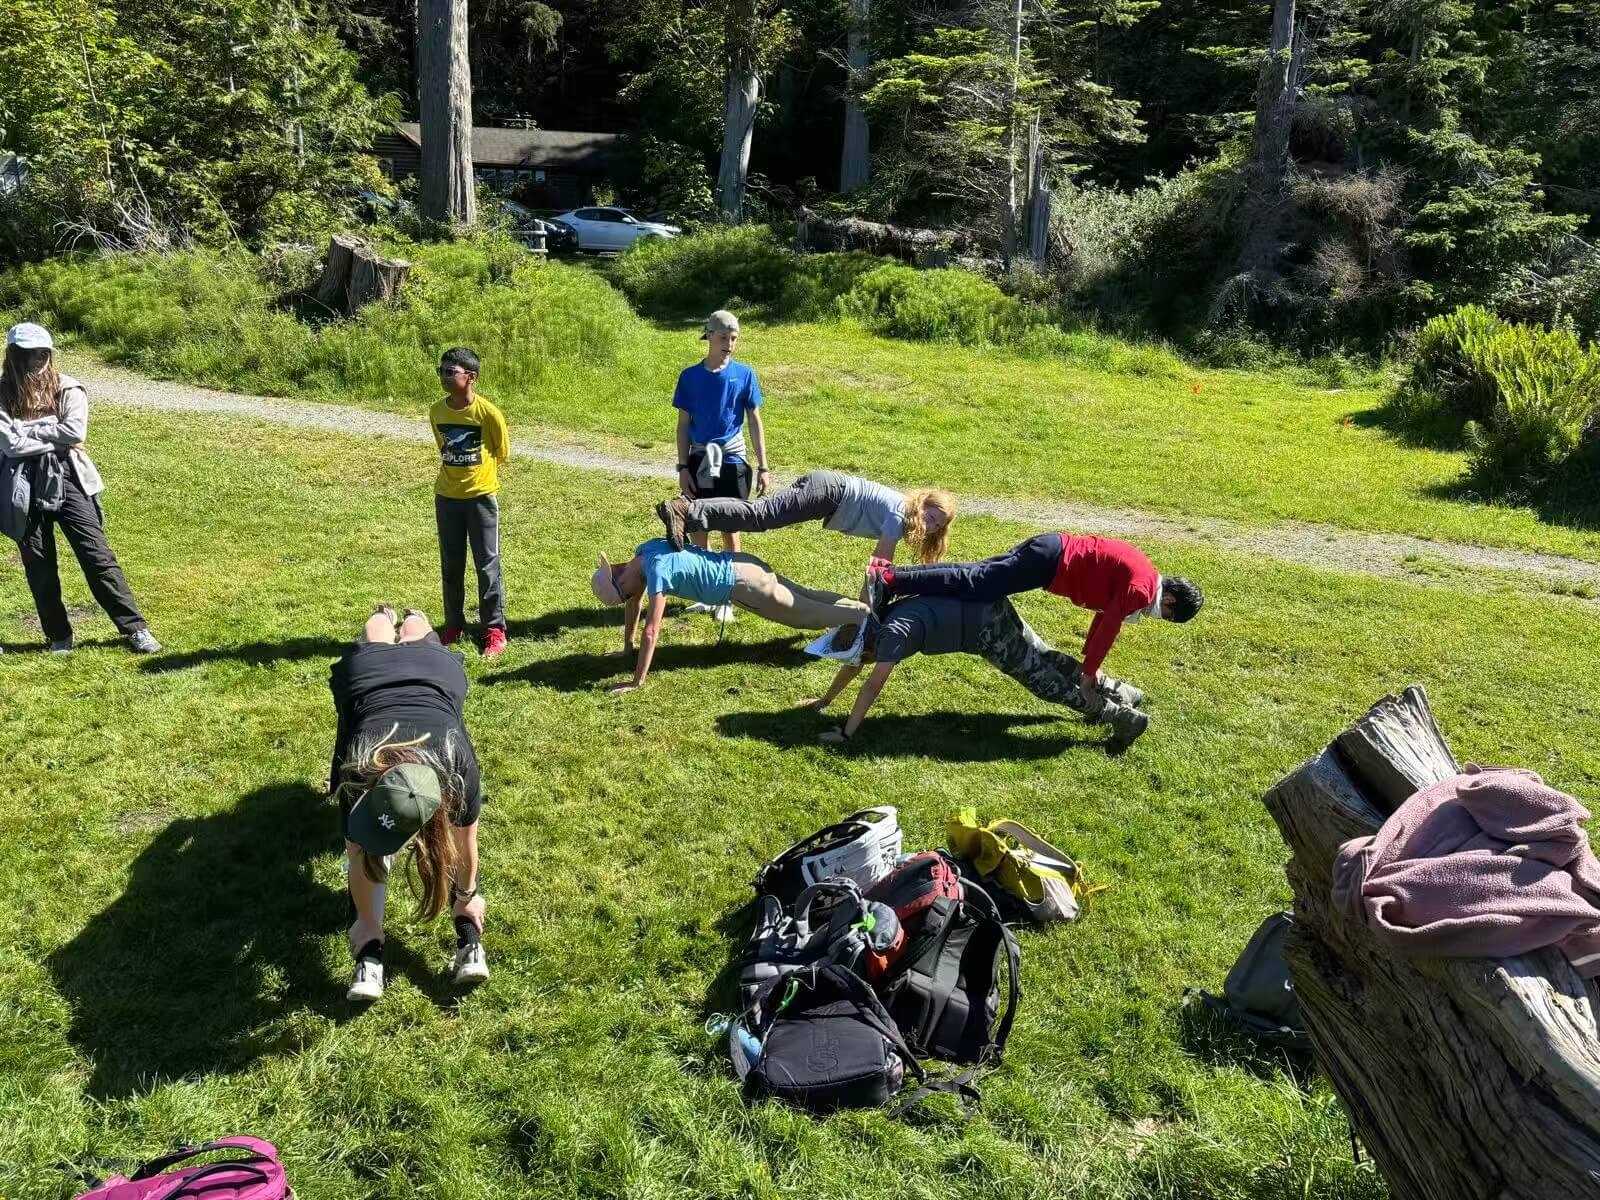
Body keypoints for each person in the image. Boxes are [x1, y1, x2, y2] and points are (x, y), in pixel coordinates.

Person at [865, 532, 1202, 722]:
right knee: (974, 580)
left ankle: (894, 579)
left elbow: (1102, 618)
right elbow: (1110, 627)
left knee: (975, 577)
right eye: (1170, 617)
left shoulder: (1145, 577)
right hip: (1049, 562)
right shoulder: (1142, 590)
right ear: (1170, 601)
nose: (1162, 619)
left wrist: (1089, 665)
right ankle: (891, 578)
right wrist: (1087, 676)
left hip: (1050, 551)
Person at [330, 604, 489, 1001]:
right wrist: (366, 923)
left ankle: (400, 615)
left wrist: (468, 903)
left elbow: (463, 850)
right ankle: (369, 959)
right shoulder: (357, 769)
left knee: (396, 629)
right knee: (377, 633)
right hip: (368, 680)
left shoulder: (458, 767)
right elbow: (358, 851)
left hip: (434, 676)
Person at [0, 323, 161, 654]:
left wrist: (29, 430)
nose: (37, 360)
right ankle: (59, 636)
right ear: (13, 356)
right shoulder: (2, 392)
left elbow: (73, 432)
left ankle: (135, 628)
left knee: (97, 555)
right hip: (20, 483)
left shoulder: (69, 388)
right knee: (38, 562)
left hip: (68, 475)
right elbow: (11, 446)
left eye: (43, 353)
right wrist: (49, 430)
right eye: (29, 353)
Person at [805, 595, 1150, 748]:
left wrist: (848, 734)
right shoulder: (876, 623)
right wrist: (824, 701)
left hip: (985, 630)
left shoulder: (892, 637)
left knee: (1041, 680)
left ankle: (1118, 716)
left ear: (866, 649)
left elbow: (870, 687)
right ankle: (1122, 690)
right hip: (988, 605)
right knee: (1043, 655)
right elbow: (855, 666)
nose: (857, 663)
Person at [590, 539, 871, 693]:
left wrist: (636, 681)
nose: (632, 597)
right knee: (806, 597)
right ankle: (863, 608)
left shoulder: (656, 570)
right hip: (743, 565)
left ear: (621, 581)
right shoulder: (643, 552)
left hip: (745, 587)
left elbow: (651, 631)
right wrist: (627, 648)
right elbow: (634, 604)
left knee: (806, 616)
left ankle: (868, 617)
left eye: (626, 595)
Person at [672, 309, 770, 623]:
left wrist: (764, 466)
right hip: (701, 458)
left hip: (732, 458)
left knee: (730, 525)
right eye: (724, 338)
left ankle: (728, 594)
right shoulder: (690, 377)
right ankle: (706, 591)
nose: (729, 344)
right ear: (710, 336)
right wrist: (683, 467)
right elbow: (683, 426)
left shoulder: (745, 374)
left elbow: (755, 422)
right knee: (699, 525)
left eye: (734, 339)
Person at [655, 472, 956, 567]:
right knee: (761, 515)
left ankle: (688, 512)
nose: (931, 525)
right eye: (931, 515)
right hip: (829, 492)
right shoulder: (899, 513)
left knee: (761, 516)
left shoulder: (906, 517)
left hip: (828, 496)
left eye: (938, 525)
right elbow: (880, 566)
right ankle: (686, 510)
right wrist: (869, 609)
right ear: (923, 503)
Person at [430, 347, 509, 658]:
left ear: (471, 377)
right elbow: (443, 447)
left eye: (452, 372)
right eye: (443, 371)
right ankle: (453, 625)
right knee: (451, 565)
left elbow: (500, 451)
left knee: (487, 565)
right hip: (447, 498)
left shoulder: (488, 413)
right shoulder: (436, 411)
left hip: (480, 498)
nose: (445, 377)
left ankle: (494, 629)